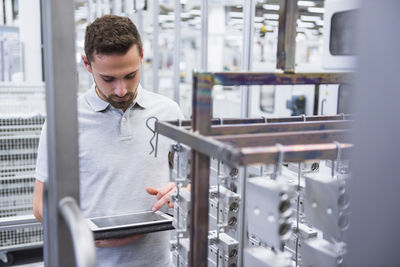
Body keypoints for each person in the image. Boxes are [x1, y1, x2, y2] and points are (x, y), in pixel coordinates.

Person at [32, 14, 184, 266]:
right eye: (108, 79)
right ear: (87, 64)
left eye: (130, 75)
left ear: (142, 55)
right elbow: (40, 206)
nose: (121, 90)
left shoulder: (169, 112)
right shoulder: (64, 120)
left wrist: (180, 192)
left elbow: (191, 184)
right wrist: (92, 236)